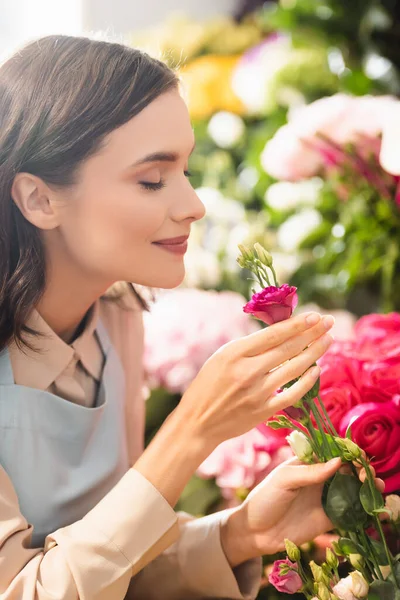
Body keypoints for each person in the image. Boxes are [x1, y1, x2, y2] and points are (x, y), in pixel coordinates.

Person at [0, 34, 346, 600]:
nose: (193, 206)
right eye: (152, 180)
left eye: (184, 171)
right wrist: (191, 430)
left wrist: (239, 532)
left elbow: (111, 567)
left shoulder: (115, 321)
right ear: (39, 199)